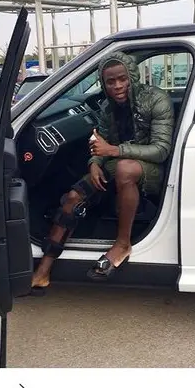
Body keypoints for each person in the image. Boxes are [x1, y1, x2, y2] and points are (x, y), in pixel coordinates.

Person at [30, 51, 174, 294]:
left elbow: (161, 150)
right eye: (110, 81)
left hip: (152, 169)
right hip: (117, 163)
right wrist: (95, 163)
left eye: (122, 79)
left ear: (132, 76)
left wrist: (113, 150)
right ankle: (43, 270)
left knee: (124, 168)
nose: (117, 86)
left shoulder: (156, 99)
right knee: (73, 198)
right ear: (104, 84)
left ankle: (123, 244)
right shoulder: (107, 107)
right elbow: (100, 141)